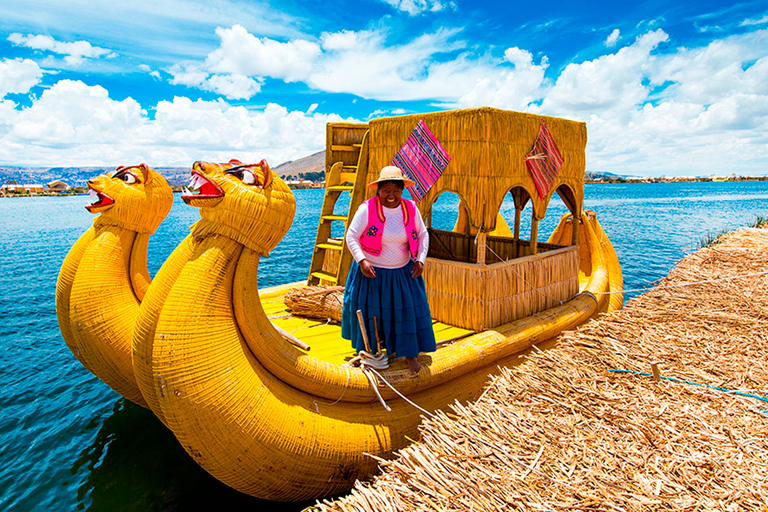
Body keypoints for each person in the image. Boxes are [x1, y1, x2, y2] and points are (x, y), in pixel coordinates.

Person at [341, 166, 436, 375]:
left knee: (405, 313)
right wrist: (362, 261)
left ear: (402, 191)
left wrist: (420, 259)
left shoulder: (410, 209)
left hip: (402, 273)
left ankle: (409, 353)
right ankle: (370, 353)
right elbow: (351, 236)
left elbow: (422, 235)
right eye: (386, 191)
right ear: (378, 190)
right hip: (372, 274)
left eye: (396, 191)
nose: (391, 196)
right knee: (371, 314)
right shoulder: (367, 209)